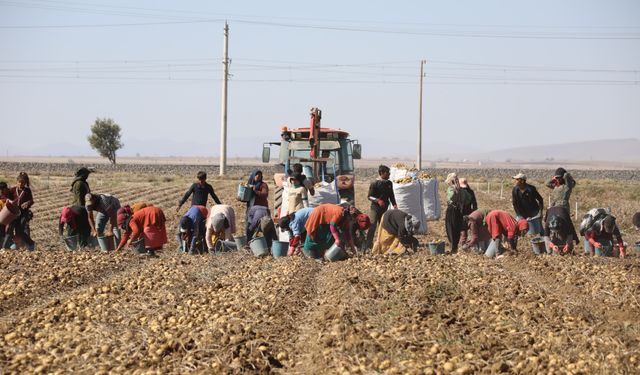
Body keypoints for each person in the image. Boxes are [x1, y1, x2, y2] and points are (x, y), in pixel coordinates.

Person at [365, 165, 397, 250]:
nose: (389, 174)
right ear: (382, 173)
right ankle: (368, 245)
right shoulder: (374, 183)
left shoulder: (389, 183)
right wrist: (378, 200)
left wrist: (394, 204)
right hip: (375, 208)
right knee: (372, 225)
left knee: (383, 227)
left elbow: (391, 195)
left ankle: (383, 245)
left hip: (384, 209)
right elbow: (369, 196)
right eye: (387, 172)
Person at [2, 172, 36, 251]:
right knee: (10, 228)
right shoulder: (13, 190)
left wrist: (27, 203)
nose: (20, 184)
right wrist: (7, 200)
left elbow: (31, 201)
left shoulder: (27, 191)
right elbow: (5, 196)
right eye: (19, 182)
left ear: (25, 183)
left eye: (22, 182)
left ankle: (31, 244)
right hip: (13, 213)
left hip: (23, 213)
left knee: (20, 230)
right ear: (16, 182)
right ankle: (4, 247)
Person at [444, 172, 473, 253]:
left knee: (451, 228)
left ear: (451, 181)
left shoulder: (451, 189)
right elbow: (469, 199)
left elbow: (451, 197)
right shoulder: (462, 190)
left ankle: (453, 248)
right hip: (459, 210)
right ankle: (455, 247)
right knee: (457, 228)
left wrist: (455, 190)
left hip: (452, 210)